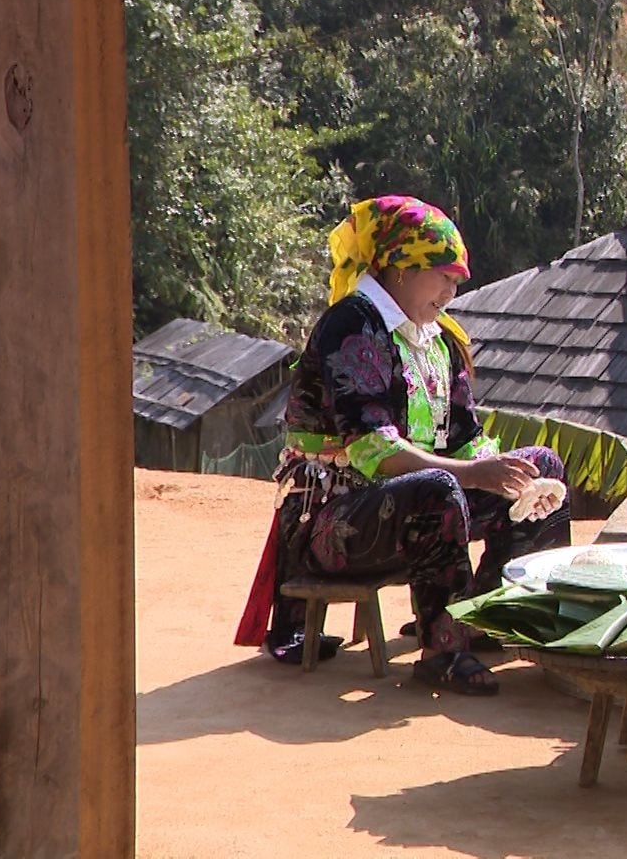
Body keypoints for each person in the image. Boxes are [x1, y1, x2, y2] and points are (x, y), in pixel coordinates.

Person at [234, 195, 571, 693]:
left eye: (457, 281)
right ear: (401, 268)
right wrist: (474, 475)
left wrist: (505, 474)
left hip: (405, 505)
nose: (452, 292)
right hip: (333, 522)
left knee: (542, 466)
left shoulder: (438, 340)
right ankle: (443, 651)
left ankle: (485, 614)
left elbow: (464, 438)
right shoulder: (353, 325)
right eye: (444, 277)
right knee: (438, 488)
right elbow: (373, 449)